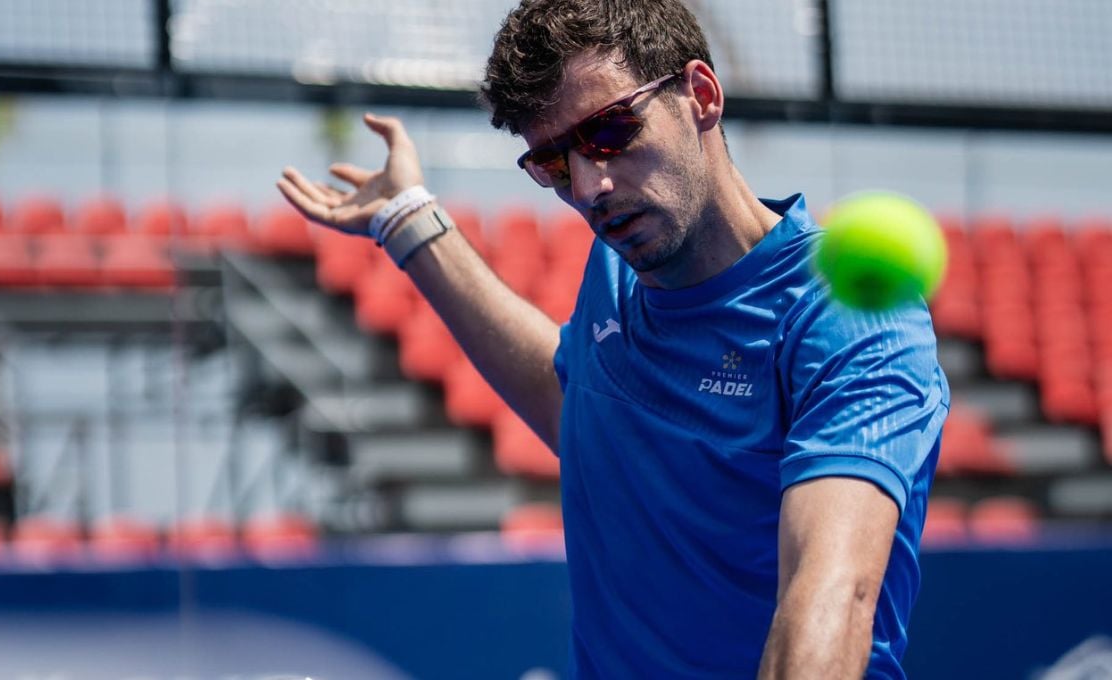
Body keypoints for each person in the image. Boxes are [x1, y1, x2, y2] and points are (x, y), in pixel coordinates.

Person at [276, 0, 949, 677]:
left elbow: (830, 595)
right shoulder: (616, 267)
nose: (590, 186)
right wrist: (409, 220)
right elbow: (582, 413)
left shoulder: (845, 314)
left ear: (701, 96)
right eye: (554, 162)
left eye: (608, 131)